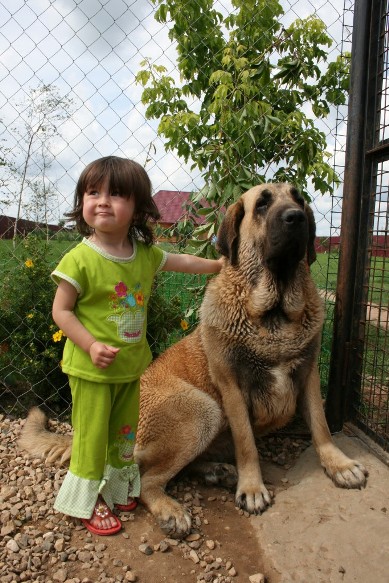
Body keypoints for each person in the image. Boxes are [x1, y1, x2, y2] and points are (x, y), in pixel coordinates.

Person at [51, 156, 222, 536]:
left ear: (139, 207)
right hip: (92, 371)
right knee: (92, 435)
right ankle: (86, 498)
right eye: (93, 192)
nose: (103, 201)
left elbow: (182, 261)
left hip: (131, 368)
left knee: (124, 434)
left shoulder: (142, 255)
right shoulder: (80, 258)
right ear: (81, 201)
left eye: (117, 194)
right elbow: (61, 312)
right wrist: (91, 345)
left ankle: (115, 485)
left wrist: (220, 267)